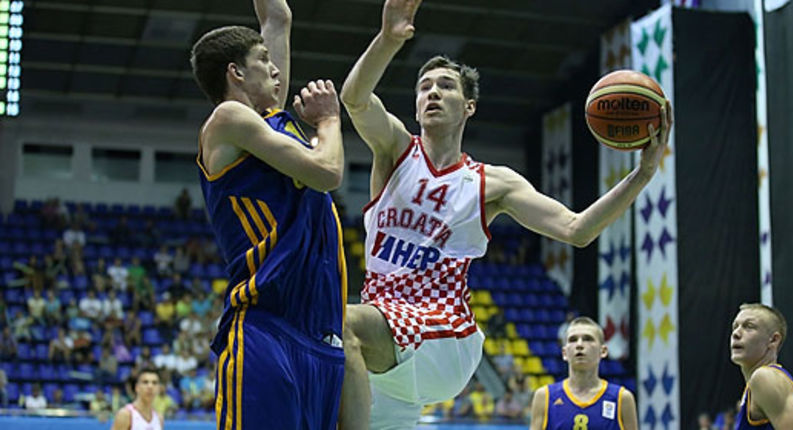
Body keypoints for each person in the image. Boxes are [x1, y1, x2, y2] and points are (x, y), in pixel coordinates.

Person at [337, 0, 671, 428]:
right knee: (319, 352)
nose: (433, 93)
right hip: (388, 335)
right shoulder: (394, 150)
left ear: (469, 106)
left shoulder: (491, 182)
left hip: (444, 334)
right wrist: (387, 40)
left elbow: (577, 229)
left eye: (446, 86)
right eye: (424, 87)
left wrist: (642, 175)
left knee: (341, 322)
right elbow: (355, 99)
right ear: (416, 105)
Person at [189, 0, 346, 427]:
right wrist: (328, 121)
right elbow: (327, 172)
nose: (276, 69)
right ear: (236, 73)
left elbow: (278, 18)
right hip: (266, 327)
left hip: (319, 338)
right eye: (263, 60)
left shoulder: (273, 124)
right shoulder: (228, 119)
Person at [529, 317, 638, 429]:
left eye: (588, 339)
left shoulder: (622, 398)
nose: (579, 345)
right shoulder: (545, 397)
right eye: (573, 340)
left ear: (603, 351)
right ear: (564, 353)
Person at [729, 303, 793, 429]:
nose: (736, 333)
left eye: (749, 327)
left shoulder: (766, 377)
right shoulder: (762, 383)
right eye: (735, 327)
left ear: (774, 340)